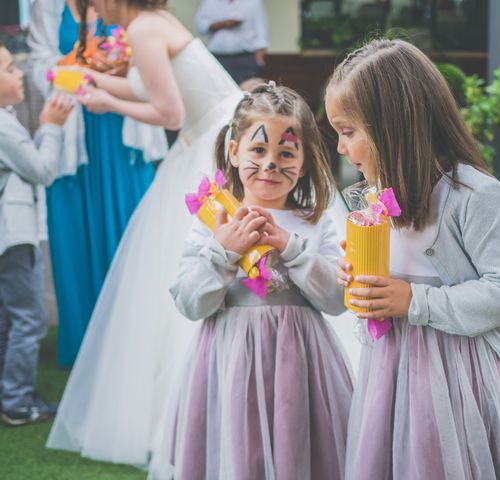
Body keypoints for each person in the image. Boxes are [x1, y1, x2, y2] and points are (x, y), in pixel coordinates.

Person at [327, 39, 500, 479]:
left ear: (391, 126)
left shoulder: (475, 195)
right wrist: (363, 276)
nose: (341, 147)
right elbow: (393, 279)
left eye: (348, 131)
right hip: (394, 370)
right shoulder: (376, 199)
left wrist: (414, 300)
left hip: (463, 378)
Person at [45, 0, 243, 465]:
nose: (90, 8)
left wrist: (105, 101)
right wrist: (87, 78)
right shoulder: (154, 25)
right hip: (207, 136)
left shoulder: (145, 30)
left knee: (182, 261)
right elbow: (148, 84)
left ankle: (191, 412)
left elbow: (171, 114)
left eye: (93, 1)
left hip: (209, 141)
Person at [150, 83, 353, 480]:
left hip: (302, 364)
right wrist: (223, 252)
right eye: (258, 150)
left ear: (306, 162)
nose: (270, 165)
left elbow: (335, 300)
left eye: (286, 153)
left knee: (299, 451)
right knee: (239, 453)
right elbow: (191, 303)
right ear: (234, 152)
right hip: (229, 362)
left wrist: (292, 248)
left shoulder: (317, 222)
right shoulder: (215, 220)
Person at [27, 0, 166, 367]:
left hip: (120, 132)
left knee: (130, 233)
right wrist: (78, 59)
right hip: (72, 132)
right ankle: (85, 343)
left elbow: (150, 64)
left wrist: (115, 67)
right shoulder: (48, 8)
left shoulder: (126, 5)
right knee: (74, 235)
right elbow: (38, 66)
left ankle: (135, 338)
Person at [0, 39, 73, 425]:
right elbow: (42, 171)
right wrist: (52, 128)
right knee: (28, 319)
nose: (21, 73)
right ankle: (17, 402)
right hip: (12, 238)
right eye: (11, 68)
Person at [195, 0, 268, 84]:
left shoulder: (253, 2)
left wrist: (259, 60)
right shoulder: (210, 2)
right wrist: (224, 24)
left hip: (246, 57)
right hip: (218, 57)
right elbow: (201, 26)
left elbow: (261, 30)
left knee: (247, 92)